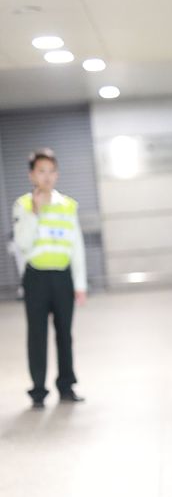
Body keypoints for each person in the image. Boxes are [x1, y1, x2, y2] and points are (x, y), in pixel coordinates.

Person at [12, 148, 87, 408]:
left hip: (62, 277)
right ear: (31, 175)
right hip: (36, 278)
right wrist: (35, 212)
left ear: (57, 174)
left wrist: (80, 284)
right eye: (41, 171)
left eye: (51, 171)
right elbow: (22, 243)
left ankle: (66, 386)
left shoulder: (68, 205)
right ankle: (38, 391)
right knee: (37, 335)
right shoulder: (22, 205)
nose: (46, 176)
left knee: (64, 334)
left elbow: (76, 247)